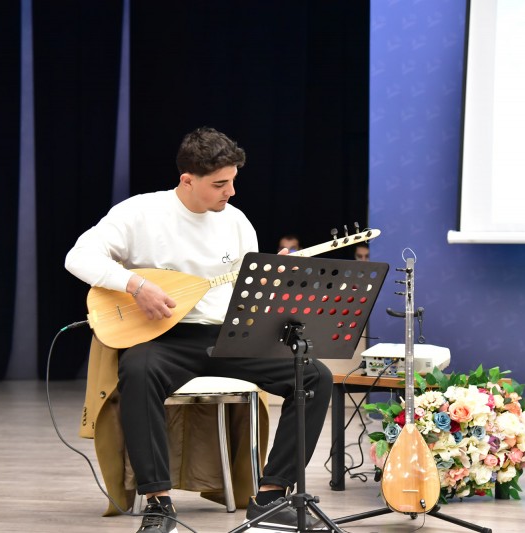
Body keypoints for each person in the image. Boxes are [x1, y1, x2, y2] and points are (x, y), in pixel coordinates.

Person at [65, 127, 332, 533]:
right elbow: (78, 256)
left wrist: (274, 281)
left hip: (229, 335)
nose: (231, 192)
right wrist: (135, 285)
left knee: (314, 377)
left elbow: (247, 297)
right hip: (165, 337)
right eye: (220, 184)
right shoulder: (140, 213)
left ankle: (271, 497)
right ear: (187, 180)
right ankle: (159, 504)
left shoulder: (236, 221)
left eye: (233, 181)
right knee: (137, 371)